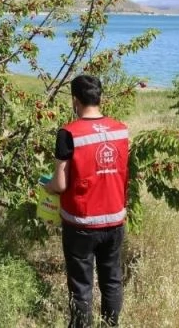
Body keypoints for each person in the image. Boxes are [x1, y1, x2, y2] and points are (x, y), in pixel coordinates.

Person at [45, 75, 130, 328]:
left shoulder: (68, 133)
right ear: (99, 98)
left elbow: (60, 184)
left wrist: (45, 187)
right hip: (115, 219)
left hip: (81, 223)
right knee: (112, 280)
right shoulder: (121, 129)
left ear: (75, 100)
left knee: (81, 286)